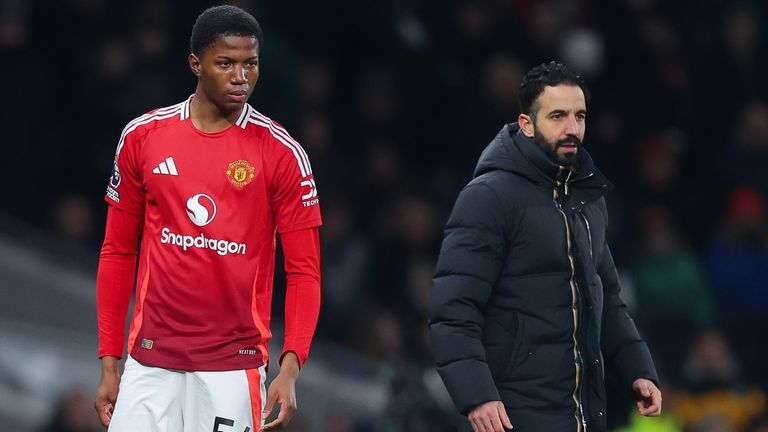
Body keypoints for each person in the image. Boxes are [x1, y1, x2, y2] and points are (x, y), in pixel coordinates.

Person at [93, 6, 322, 432]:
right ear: (195, 64)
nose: (241, 77)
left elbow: (304, 271)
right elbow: (117, 250)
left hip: (231, 367)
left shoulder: (282, 153)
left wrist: (290, 367)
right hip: (148, 360)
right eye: (226, 63)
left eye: (250, 64)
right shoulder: (144, 137)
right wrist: (110, 360)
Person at [429, 61, 661, 432]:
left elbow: (608, 300)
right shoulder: (488, 197)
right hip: (511, 414)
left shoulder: (588, 198)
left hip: (584, 413)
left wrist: (638, 369)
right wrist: (478, 396)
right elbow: (453, 311)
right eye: (558, 116)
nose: (573, 129)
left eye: (580, 116)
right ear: (526, 124)